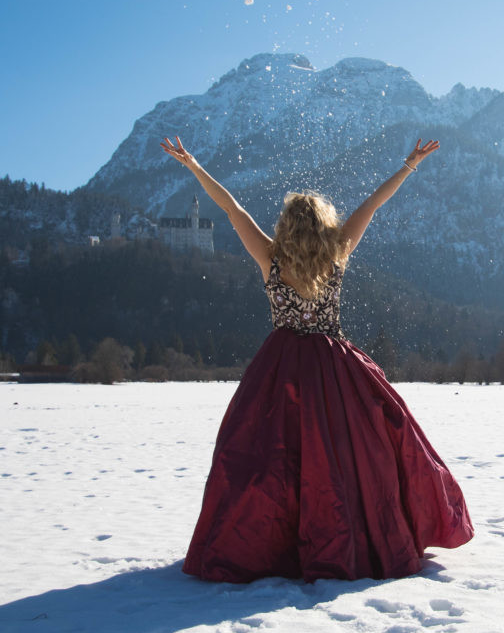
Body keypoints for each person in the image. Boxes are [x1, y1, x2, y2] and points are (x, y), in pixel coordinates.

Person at [160, 134, 474, 583]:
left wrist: (192, 164)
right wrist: (409, 164)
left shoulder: (269, 256)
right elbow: (373, 204)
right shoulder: (338, 252)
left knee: (267, 457)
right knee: (352, 456)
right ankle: (346, 536)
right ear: (324, 224)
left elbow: (231, 209)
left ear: (287, 225)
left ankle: (269, 544)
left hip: (280, 368)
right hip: (334, 366)